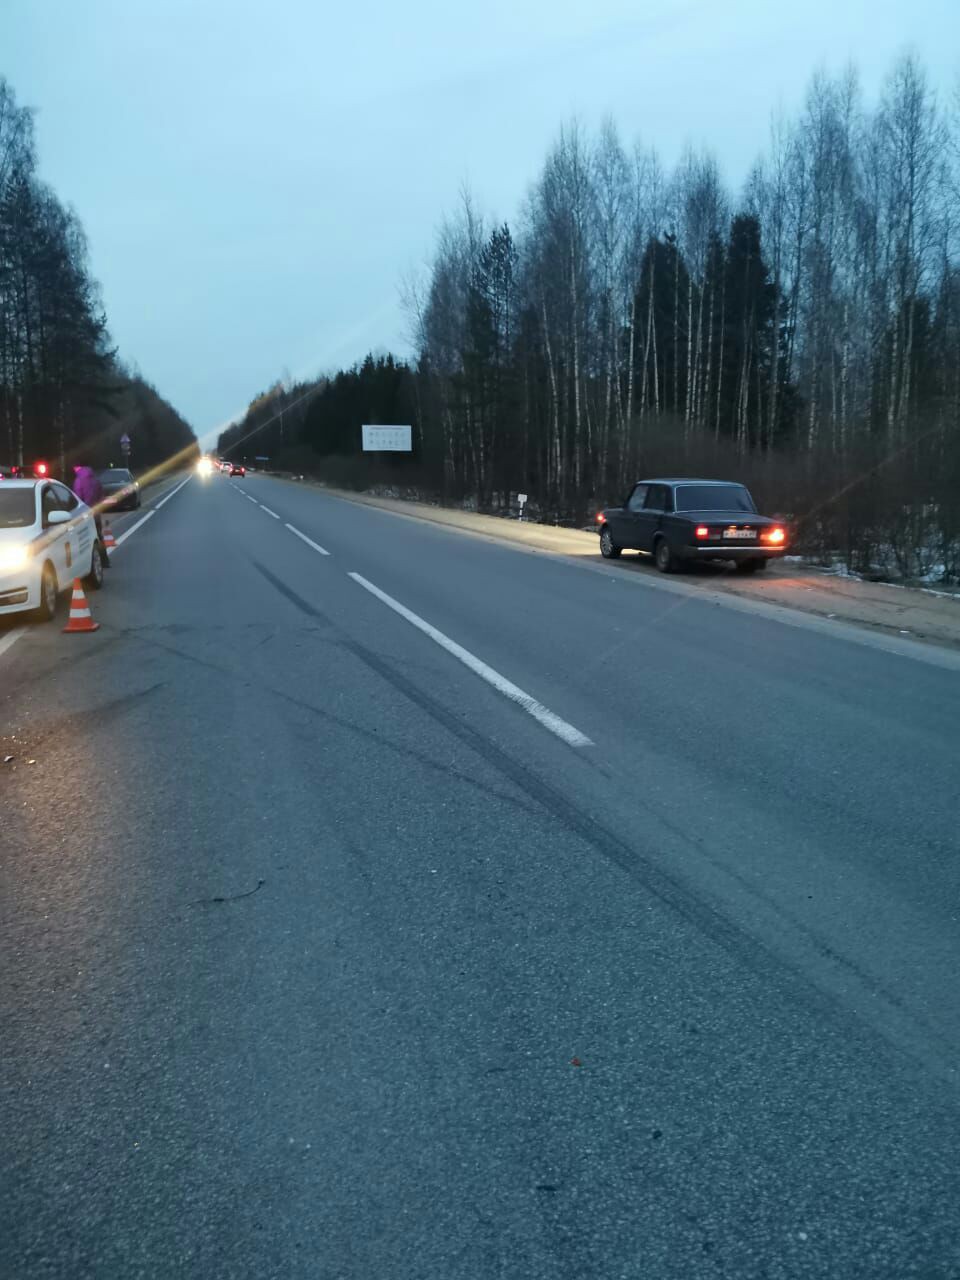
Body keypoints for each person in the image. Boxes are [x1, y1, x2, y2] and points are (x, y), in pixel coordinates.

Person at [72, 465, 109, 563]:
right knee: (99, 536)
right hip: (96, 513)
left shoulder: (78, 481)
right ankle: (104, 560)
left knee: (86, 539)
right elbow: (101, 497)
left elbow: (78, 499)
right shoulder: (96, 481)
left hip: (85, 515)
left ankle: (89, 562)